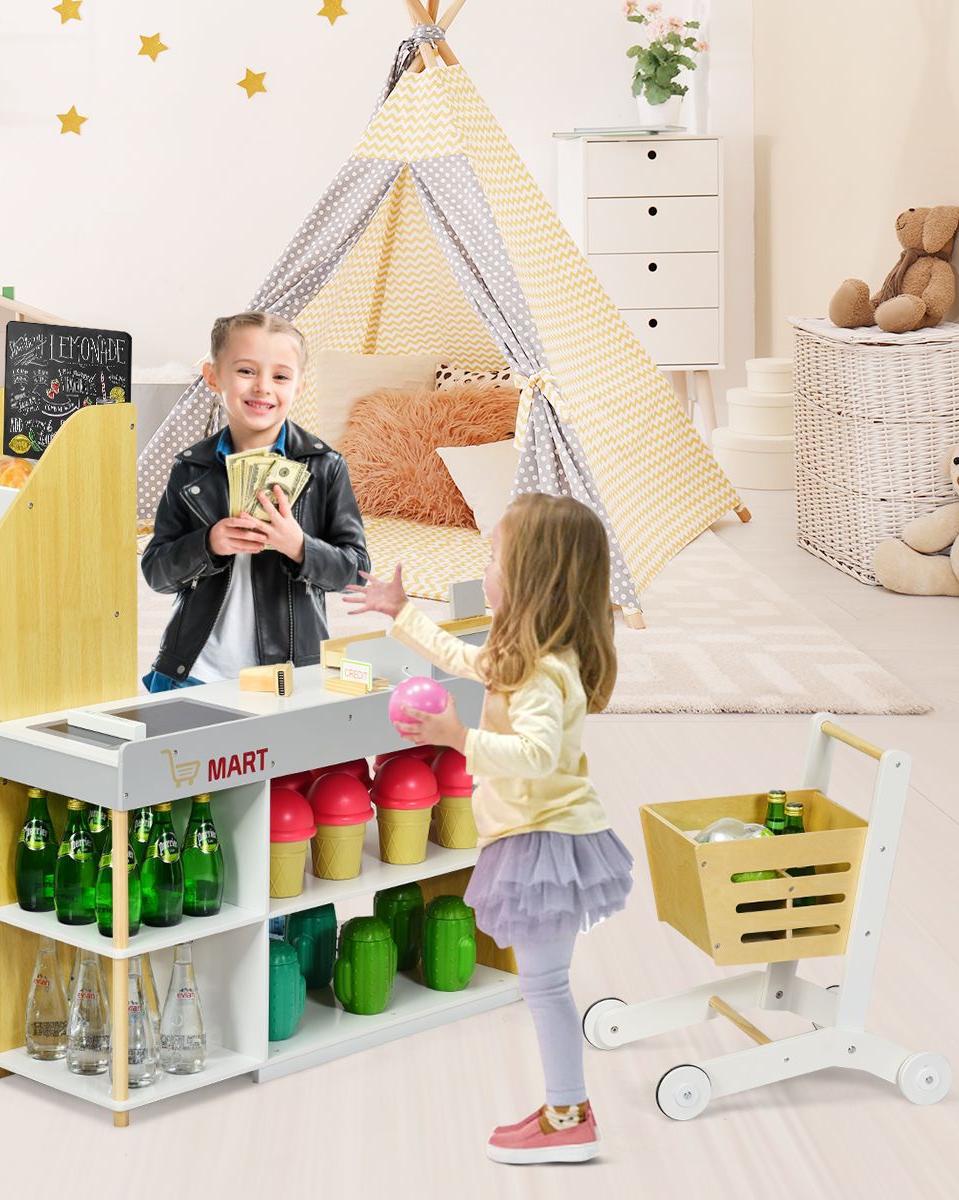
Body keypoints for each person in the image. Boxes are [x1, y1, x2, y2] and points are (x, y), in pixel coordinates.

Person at [344, 493, 632, 1166]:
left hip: (548, 843)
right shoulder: (521, 653)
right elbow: (459, 657)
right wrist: (402, 614)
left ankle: (569, 1117)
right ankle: (568, 1108)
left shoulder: (546, 672)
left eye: (495, 557)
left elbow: (539, 756)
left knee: (547, 987)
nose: (487, 567)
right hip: (535, 838)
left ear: (532, 576)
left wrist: (457, 736)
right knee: (545, 984)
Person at [141, 311, 369, 691]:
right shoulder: (191, 468)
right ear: (213, 377)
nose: (263, 387)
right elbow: (156, 572)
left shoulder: (325, 467)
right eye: (246, 371)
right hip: (193, 671)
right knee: (180, 753)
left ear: (297, 388)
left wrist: (299, 547)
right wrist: (209, 544)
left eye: (280, 376)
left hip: (290, 676)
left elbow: (357, 574)